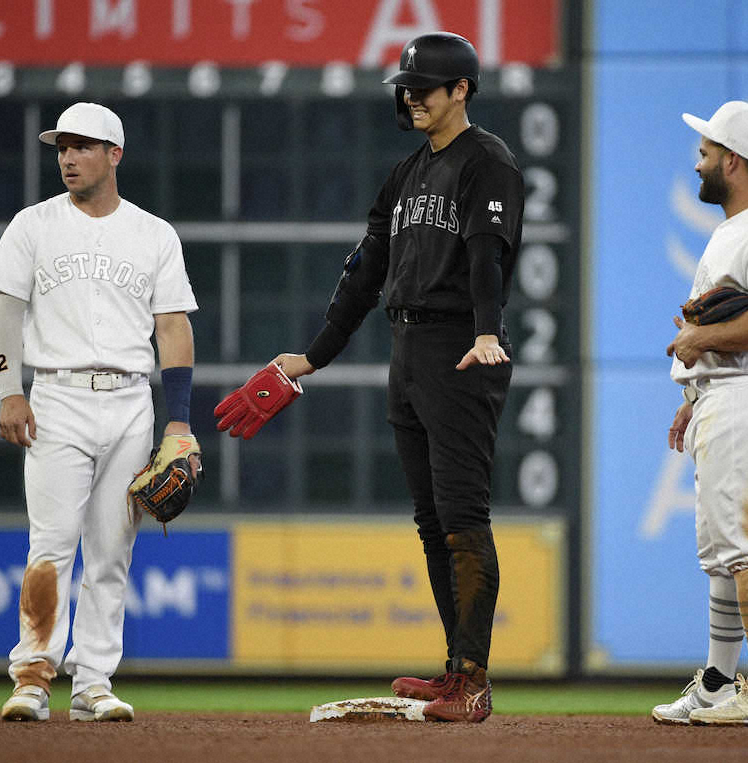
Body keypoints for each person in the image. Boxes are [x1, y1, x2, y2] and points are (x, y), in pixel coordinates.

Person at [267, 32, 523, 723]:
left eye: (425, 87)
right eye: (406, 88)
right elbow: (364, 271)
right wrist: (316, 354)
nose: (411, 97)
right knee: (432, 519)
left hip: (462, 348)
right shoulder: (407, 173)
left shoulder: (486, 162)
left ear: (461, 90)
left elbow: (486, 256)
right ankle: (454, 666)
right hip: (407, 346)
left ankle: (473, 679)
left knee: (463, 516)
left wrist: (487, 331)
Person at [0, 102, 199, 722]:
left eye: (81, 147)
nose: (68, 158)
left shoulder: (154, 233)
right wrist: (9, 390)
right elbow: (6, 312)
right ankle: (31, 676)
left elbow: (172, 327)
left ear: (115, 155)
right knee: (50, 546)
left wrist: (178, 420)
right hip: (56, 397)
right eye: (62, 148)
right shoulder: (33, 224)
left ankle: (94, 682)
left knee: (111, 551)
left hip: (131, 402)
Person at [654, 101, 748, 726]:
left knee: (746, 548)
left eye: (707, 152)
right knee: (722, 554)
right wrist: (692, 397)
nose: (700, 161)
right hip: (723, 399)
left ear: (733, 161)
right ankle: (718, 682)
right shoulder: (733, 231)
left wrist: (699, 342)